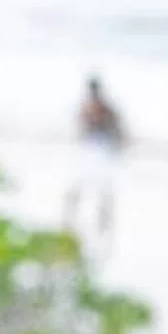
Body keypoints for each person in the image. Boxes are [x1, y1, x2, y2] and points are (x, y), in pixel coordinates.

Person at [69, 72, 128, 248]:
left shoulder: (104, 109)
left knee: (101, 191)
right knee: (86, 189)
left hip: (101, 152)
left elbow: (119, 133)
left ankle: (101, 224)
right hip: (93, 152)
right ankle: (74, 222)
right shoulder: (92, 107)